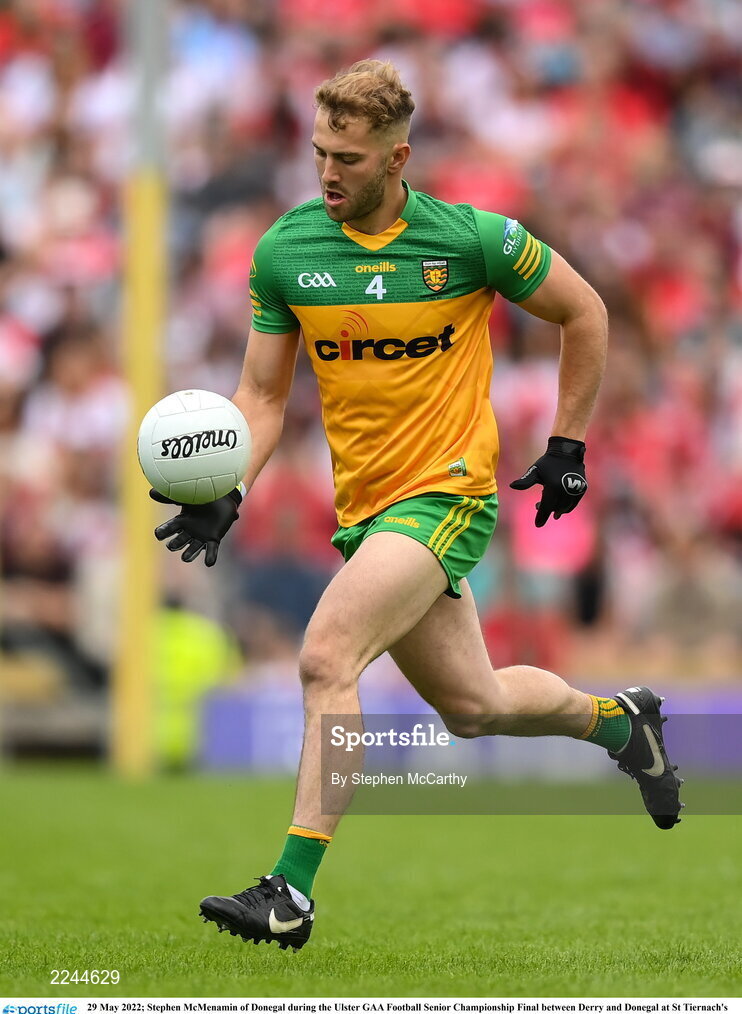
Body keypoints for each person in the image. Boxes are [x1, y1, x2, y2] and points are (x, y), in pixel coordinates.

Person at [150, 60, 682, 952]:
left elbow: (584, 312)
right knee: (472, 705)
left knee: (326, 656)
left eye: (349, 160)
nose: (328, 174)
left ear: (398, 158)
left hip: (448, 493)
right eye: (320, 152)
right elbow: (263, 395)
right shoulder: (286, 251)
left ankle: (292, 889)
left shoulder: (470, 240)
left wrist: (567, 445)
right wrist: (229, 481)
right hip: (367, 512)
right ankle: (623, 725)